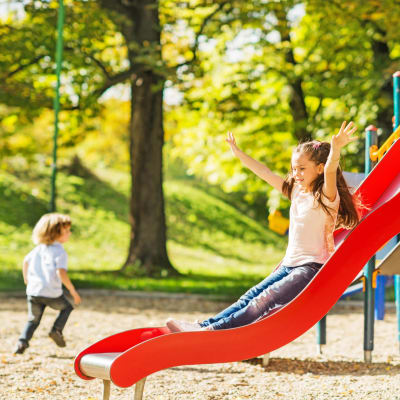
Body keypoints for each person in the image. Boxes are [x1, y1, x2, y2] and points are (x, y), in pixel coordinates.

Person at [166, 121, 360, 332]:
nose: (296, 173)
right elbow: (265, 173)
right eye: (294, 168)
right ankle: (203, 325)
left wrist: (336, 149)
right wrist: (239, 154)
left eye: (302, 169)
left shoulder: (326, 196)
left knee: (264, 300)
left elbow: (331, 170)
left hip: (310, 268)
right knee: (249, 296)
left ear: (319, 169)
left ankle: (212, 331)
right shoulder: (296, 191)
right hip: (289, 265)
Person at [14, 213, 81, 354]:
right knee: (67, 308)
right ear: (56, 233)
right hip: (52, 293)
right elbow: (61, 272)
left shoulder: (38, 249)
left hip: (34, 292)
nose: (69, 233)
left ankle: (22, 343)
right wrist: (72, 290)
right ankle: (56, 330)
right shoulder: (60, 252)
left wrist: (27, 279)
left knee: (33, 319)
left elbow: (25, 262)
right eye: (67, 231)